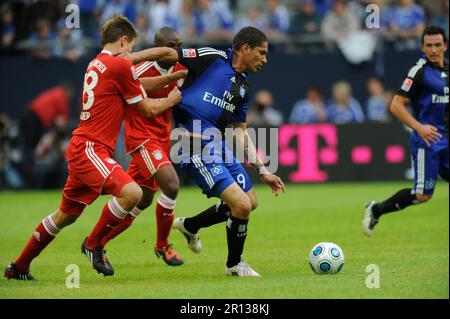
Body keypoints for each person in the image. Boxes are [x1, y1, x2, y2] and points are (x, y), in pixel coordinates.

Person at [4, 15, 181, 280]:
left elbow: (139, 86)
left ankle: (18, 267)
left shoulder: (96, 63)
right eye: (131, 46)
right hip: (90, 149)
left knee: (64, 217)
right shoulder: (120, 66)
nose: (131, 53)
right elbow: (147, 107)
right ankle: (94, 244)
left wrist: (172, 76)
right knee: (132, 193)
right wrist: (171, 98)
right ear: (123, 40)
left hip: (84, 147)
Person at [150, 26, 286, 277]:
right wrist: (133, 58)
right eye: (261, 53)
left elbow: (240, 132)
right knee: (241, 206)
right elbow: (171, 54)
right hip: (190, 143)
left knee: (250, 202)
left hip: (217, 145)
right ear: (245, 48)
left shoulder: (242, 87)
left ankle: (190, 225)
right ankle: (234, 265)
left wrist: (264, 169)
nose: (265, 60)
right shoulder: (212, 57)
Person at [100, 27, 188, 266]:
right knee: (171, 185)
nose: (175, 51)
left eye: (178, 45)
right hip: (141, 139)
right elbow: (141, 93)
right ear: (157, 47)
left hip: (160, 139)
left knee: (142, 200)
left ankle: (97, 243)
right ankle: (162, 246)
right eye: (170, 45)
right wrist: (171, 85)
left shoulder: (182, 70)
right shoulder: (136, 70)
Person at [363, 26, 449, 237]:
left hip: (446, 139)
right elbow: (395, 105)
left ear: (445, 46)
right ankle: (376, 209)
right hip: (426, 141)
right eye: (429, 45)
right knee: (422, 196)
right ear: (422, 47)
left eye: (438, 44)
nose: (434, 49)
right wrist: (419, 127)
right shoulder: (419, 71)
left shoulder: (447, 70)